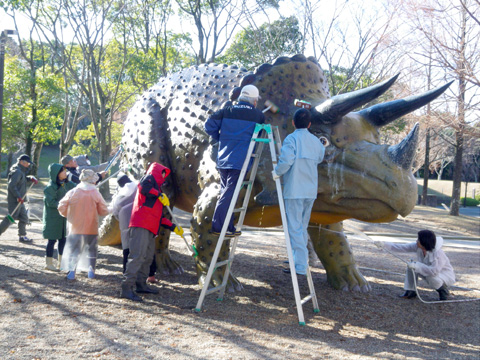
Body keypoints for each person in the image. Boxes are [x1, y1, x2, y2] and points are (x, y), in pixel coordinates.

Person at [204, 84, 265, 237]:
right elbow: (261, 133)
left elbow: (208, 125)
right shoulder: (258, 115)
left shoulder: (226, 111)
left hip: (223, 158)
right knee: (229, 193)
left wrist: (221, 138)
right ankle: (218, 226)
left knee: (227, 192)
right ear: (254, 101)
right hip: (240, 161)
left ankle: (228, 225)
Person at [272, 108, 325, 276]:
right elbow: (320, 159)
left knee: (294, 227)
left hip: (295, 189)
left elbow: (286, 160)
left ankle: (300, 265)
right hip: (310, 190)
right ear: (309, 124)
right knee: (301, 226)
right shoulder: (316, 142)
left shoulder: (292, 139)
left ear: (293, 122)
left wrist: (276, 173)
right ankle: (298, 261)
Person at [120, 162, 183, 302]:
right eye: (162, 173)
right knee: (137, 256)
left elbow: (159, 218)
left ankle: (141, 284)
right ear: (156, 171)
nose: (164, 177)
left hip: (150, 229)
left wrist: (173, 227)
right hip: (140, 225)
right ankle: (126, 287)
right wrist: (159, 194)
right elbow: (143, 188)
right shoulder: (148, 180)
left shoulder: (157, 190)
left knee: (147, 257)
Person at [58, 169, 110, 280]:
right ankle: (91, 271)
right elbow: (103, 210)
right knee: (92, 249)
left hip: (75, 227)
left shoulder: (73, 192)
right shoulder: (95, 193)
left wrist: (69, 215)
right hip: (91, 226)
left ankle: (72, 272)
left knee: (74, 249)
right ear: (92, 181)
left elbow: (61, 206)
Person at [375, 229, 455, 301]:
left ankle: (443, 291)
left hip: (444, 276)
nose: (416, 241)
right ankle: (411, 291)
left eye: (418, 239)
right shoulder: (418, 246)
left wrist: (418, 266)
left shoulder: (438, 253)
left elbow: (434, 271)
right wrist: (384, 244)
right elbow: (401, 247)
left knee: (431, 277)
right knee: (411, 267)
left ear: (424, 241)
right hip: (429, 272)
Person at [42, 163, 76, 271]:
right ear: (57, 174)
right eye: (63, 171)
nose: (65, 173)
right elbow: (50, 202)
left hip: (64, 218)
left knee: (63, 240)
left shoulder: (67, 184)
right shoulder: (50, 188)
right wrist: (64, 205)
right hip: (53, 218)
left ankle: (61, 263)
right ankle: (49, 263)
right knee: (51, 240)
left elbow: (78, 189)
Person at [0, 154, 38, 242]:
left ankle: (22, 236)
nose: (28, 165)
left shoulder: (20, 171)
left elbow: (22, 180)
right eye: (27, 163)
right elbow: (12, 185)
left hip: (20, 199)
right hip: (16, 199)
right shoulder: (17, 171)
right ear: (21, 162)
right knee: (11, 218)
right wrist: (18, 196)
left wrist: (30, 178)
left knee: (24, 217)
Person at [110, 173, 137, 273]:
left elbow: (115, 210)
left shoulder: (121, 194)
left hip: (125, 222)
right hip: (139, 221)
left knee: (126, 247)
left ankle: (126, 270)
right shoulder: (138, 186)